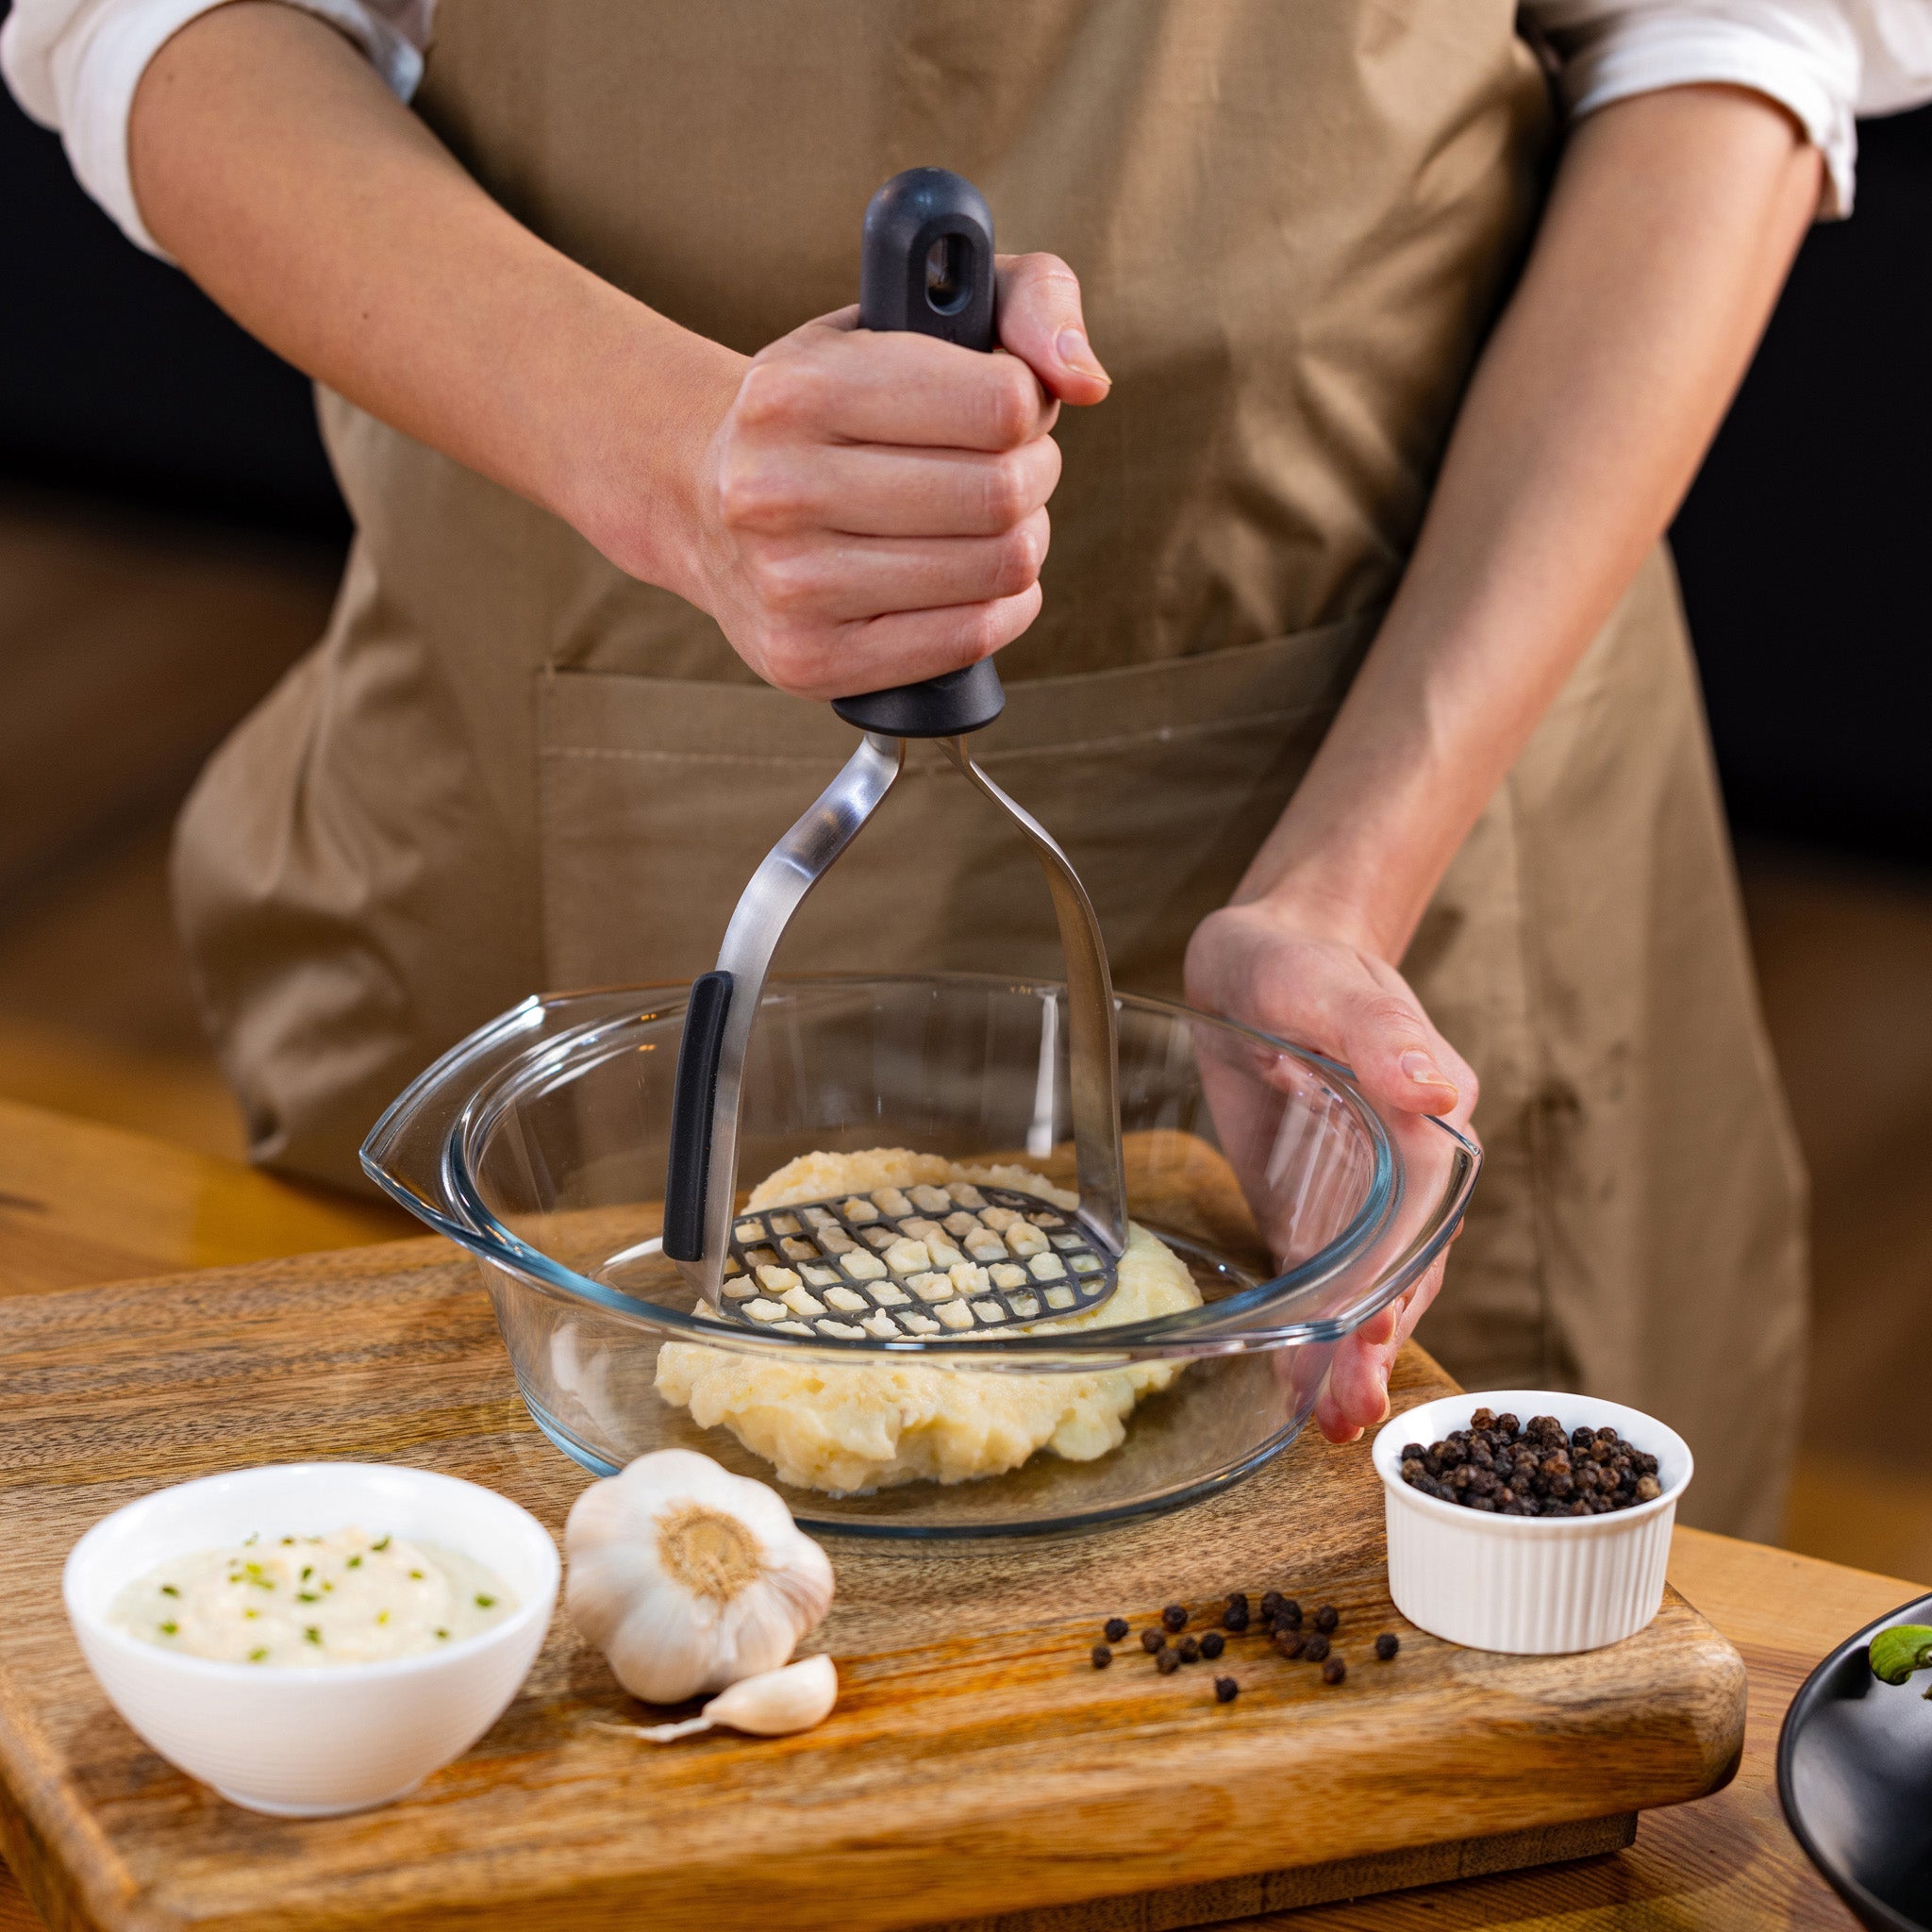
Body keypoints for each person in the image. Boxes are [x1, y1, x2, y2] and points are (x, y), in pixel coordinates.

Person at [8, 0, 1929, 1539]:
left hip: (1411, 760)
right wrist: (667, 455)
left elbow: (1725, 42)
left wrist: (1354, 875)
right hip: (560, 708)